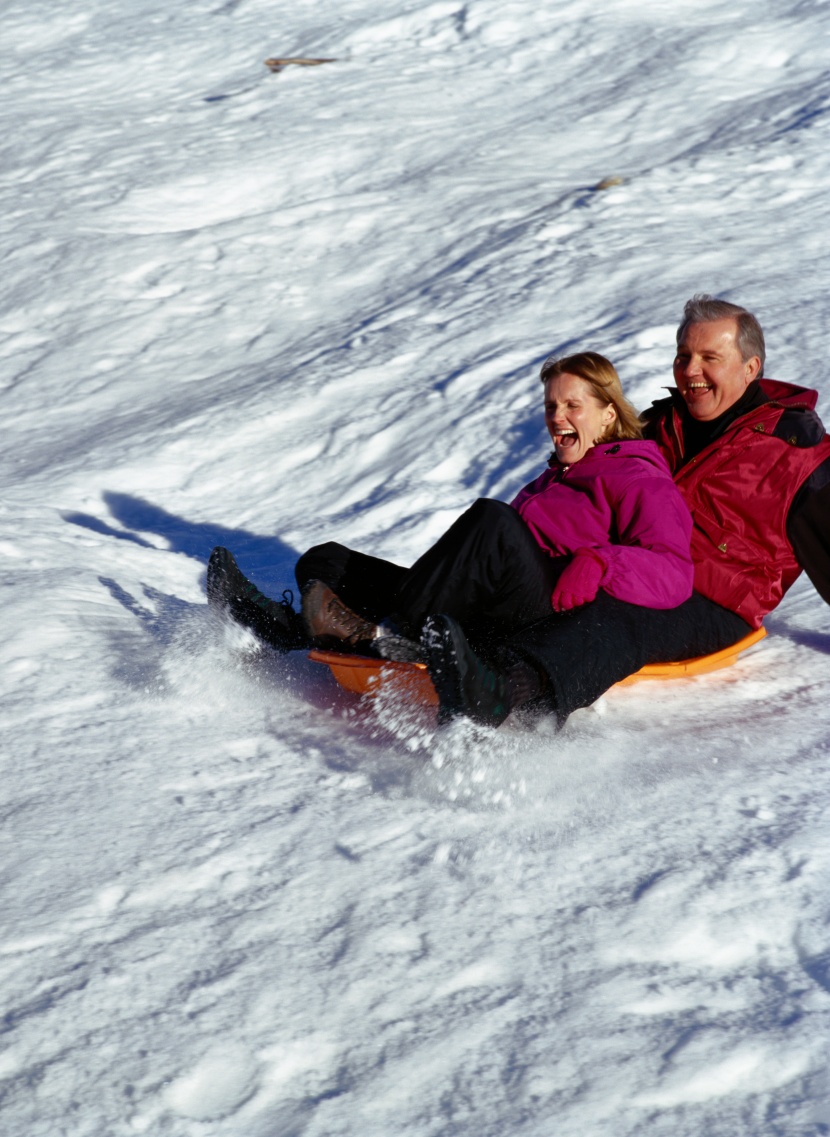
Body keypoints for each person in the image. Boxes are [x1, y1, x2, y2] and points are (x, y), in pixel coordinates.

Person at [207, 353, 696, 722]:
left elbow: (675, 573)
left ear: (609, 414)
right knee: (327, 561)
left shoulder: (638, 477)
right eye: (551, 405)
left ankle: (387, 635)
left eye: (573, 405)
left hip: (541, 612)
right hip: (487, 601)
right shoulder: (551, 479)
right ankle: (290, 627)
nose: (557, 416)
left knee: (494, 520)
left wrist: (601, 563)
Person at [426, 294, 830, 727]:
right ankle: (428, 633)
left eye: (709, 357)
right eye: (683, 356)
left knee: (620, 616)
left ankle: (508, 689)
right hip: (627, 565)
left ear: (750, 369)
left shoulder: (797, 455)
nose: (690, 371)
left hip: (713, 602)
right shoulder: (660, 426)